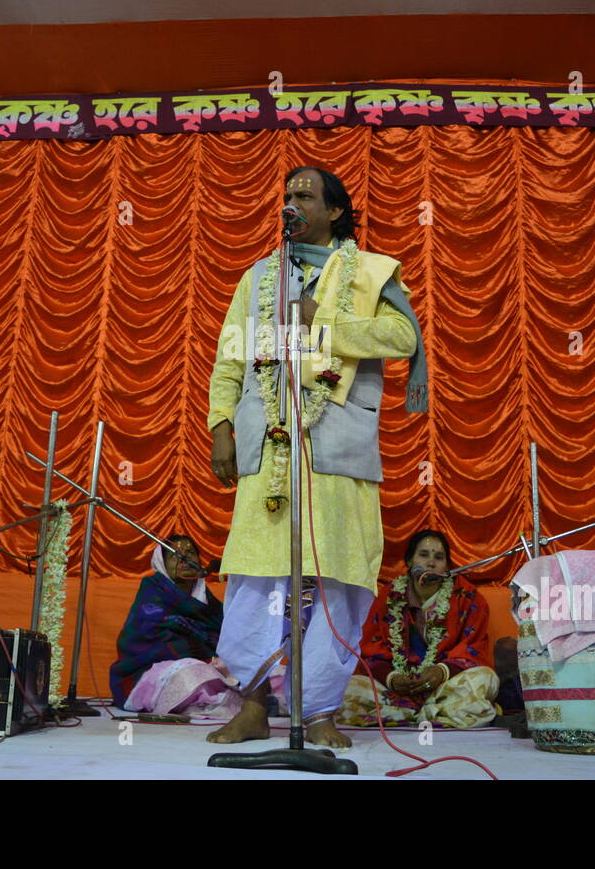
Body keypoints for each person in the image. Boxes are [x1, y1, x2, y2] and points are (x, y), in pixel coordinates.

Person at [206, 166, 426, 748]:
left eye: (304, 195)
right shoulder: (258, 278)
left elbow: (404, 338)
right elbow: (231, 354)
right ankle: (252, 704)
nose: (291, 203)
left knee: (338, 580)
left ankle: (321, 710)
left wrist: (321, 324)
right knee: (256, 576)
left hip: (337, 446)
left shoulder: (370, 271)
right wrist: (221, 425)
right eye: (286, 195)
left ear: (335, 211)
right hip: (269, 444)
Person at [339, 529, 500, 728]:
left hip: (445, 688)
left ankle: (407, 713)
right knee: (348, 688)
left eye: (439, 557)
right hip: (396, 687)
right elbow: (372, 648)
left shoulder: (467, 598)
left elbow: (472, 648)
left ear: (447, 566)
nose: (431, 562)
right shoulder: (388, 595)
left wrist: (442, 672)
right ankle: (431, 713)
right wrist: (392, 678)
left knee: (485, 678)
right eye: (423, 555)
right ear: (409, 561)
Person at [109, 535, 243, 717]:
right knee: (191, 672)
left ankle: (226, 700)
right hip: (150, 673)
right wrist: (207, 660)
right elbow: (147, 642)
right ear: (162, 564)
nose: (184, 559)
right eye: (175, 555)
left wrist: (226, 661)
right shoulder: (153, 594)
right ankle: (229, 701)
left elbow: (227, 639)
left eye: (190, 553)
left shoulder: (207, 602)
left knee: (263, 669)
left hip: (212, 669)